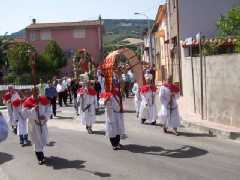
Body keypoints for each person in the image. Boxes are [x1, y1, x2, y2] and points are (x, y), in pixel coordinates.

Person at [22, 87, 51, 165]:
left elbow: (48, 109)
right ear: (32, 92)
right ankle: (40, 158)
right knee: (36, 141)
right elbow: (24, 114)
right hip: (34, 125)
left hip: (42, 123)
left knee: (42, 140)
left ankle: (40, 153)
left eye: (37, 91)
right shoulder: (28, 101)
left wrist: (44, 116)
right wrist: (33, 109)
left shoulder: (43, 99)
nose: (36, 93)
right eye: (35, 91)